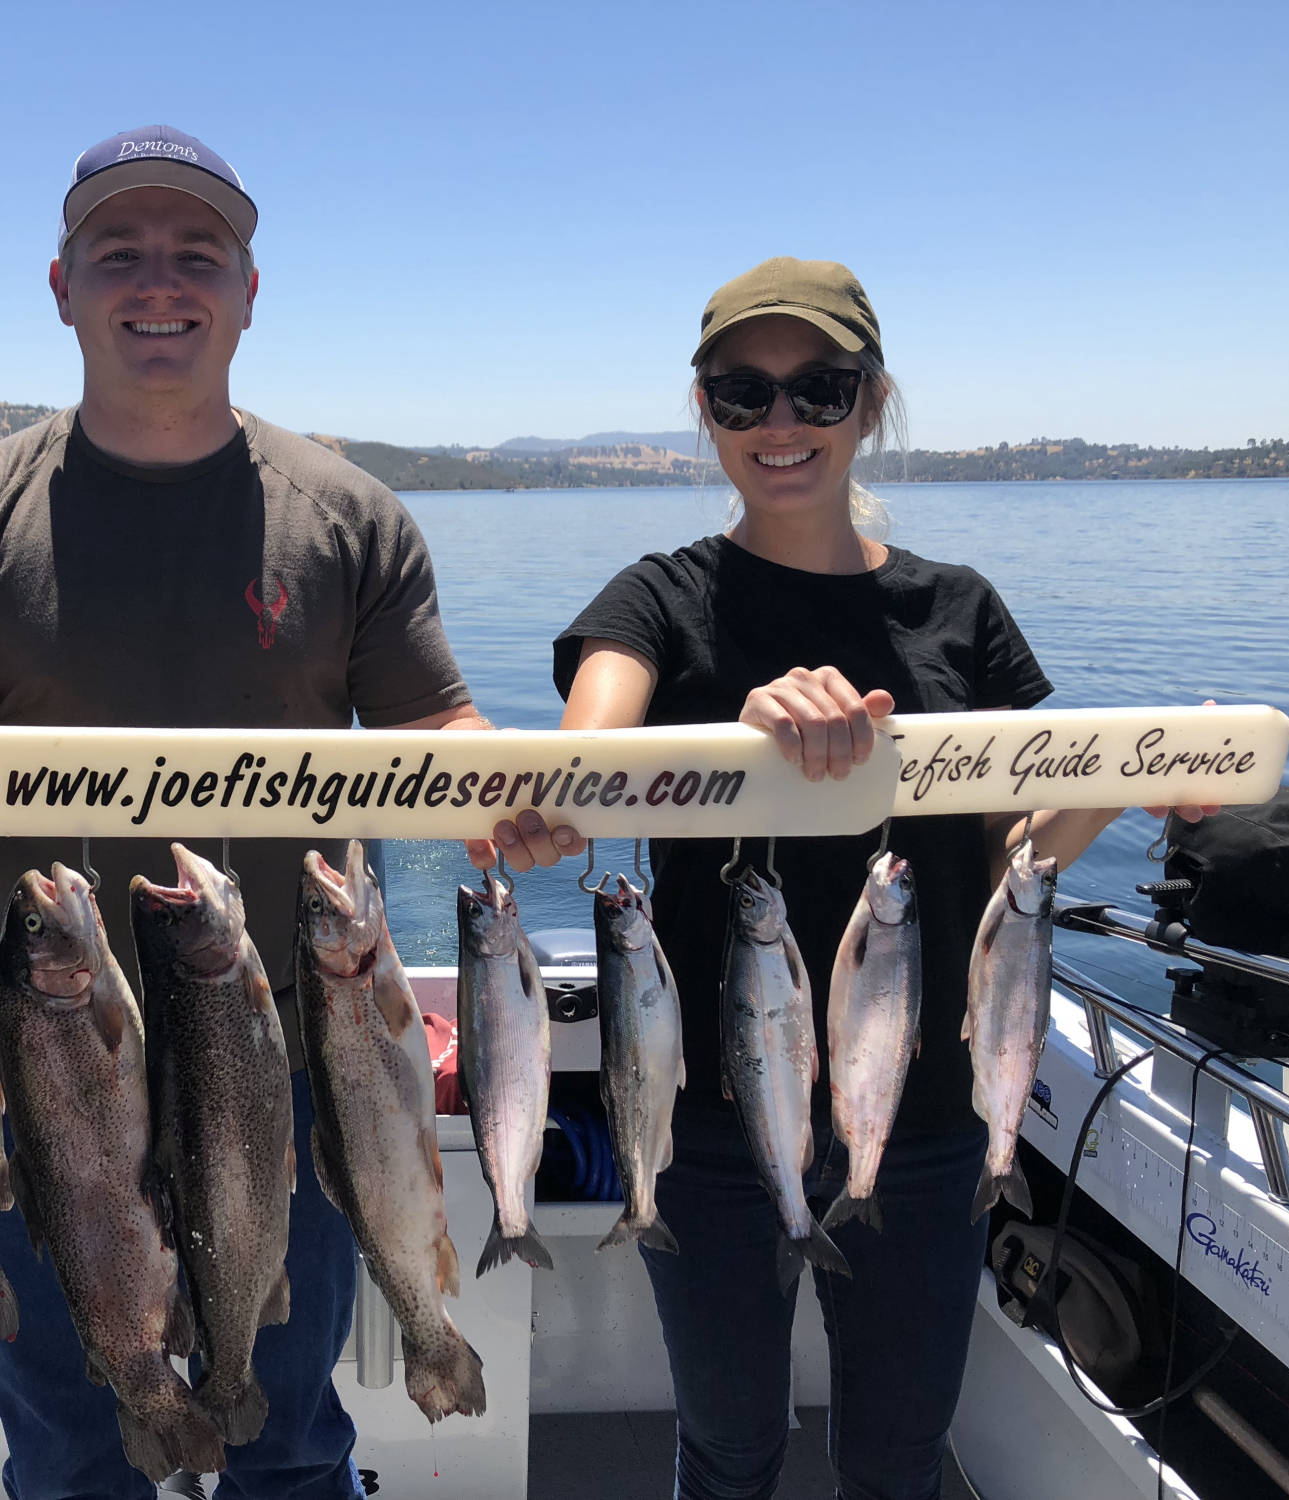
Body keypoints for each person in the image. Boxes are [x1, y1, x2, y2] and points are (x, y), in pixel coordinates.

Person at [0, 126, 492, 1500]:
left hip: (280, 1063)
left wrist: (525, 803)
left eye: (198, 254)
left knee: (287, 1441)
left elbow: (442, 745)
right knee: (74, 1452)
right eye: (122, 253)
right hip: (48, 1081)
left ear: (248, 289)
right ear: (62, 285)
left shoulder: (350, 517)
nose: (159, 282)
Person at [495, 257, 1217, 1500]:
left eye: (818, 389)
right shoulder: (660, 602)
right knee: (727, 1453)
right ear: (706, 411)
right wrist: (676, 745)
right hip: (711, 1129)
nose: (781, 424)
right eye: (742, 394)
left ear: (869, 402)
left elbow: (1016, 855)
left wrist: (1139, 768)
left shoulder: (958, 611)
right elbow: (588, 752)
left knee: (893, 1461)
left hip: (933, 1121)